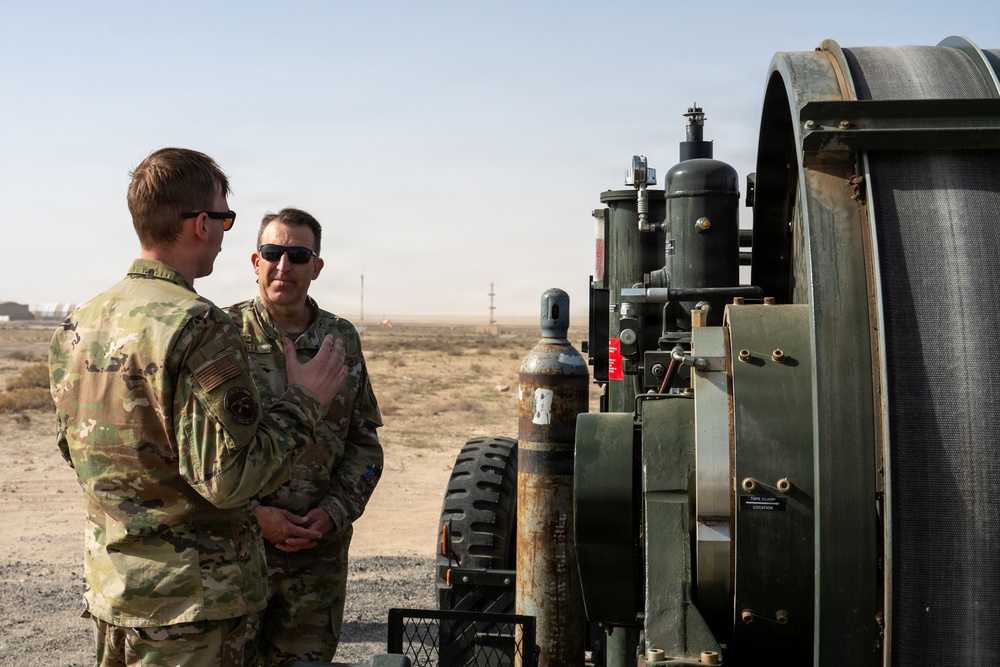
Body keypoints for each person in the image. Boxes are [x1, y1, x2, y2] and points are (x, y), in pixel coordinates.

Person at [48, 148, 349, 667]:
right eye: (226, 218)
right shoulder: (200, 325)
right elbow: (228, 479)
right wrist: (305, 401)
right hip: (192, 607)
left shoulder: (81, 322)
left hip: (115, 593)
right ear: (202, 225)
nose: (227, 233)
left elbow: (73, 449)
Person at [224, 207, 383, 666]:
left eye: (298, 255)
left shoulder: (340, 339)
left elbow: (364, 443)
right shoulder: (221, 335)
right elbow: (201, 454)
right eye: (273, 253)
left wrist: (333, 513)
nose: (283, 266)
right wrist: (255, 516)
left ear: (316, 267)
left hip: (318, 560)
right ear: (255, 261)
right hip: (239, 555)